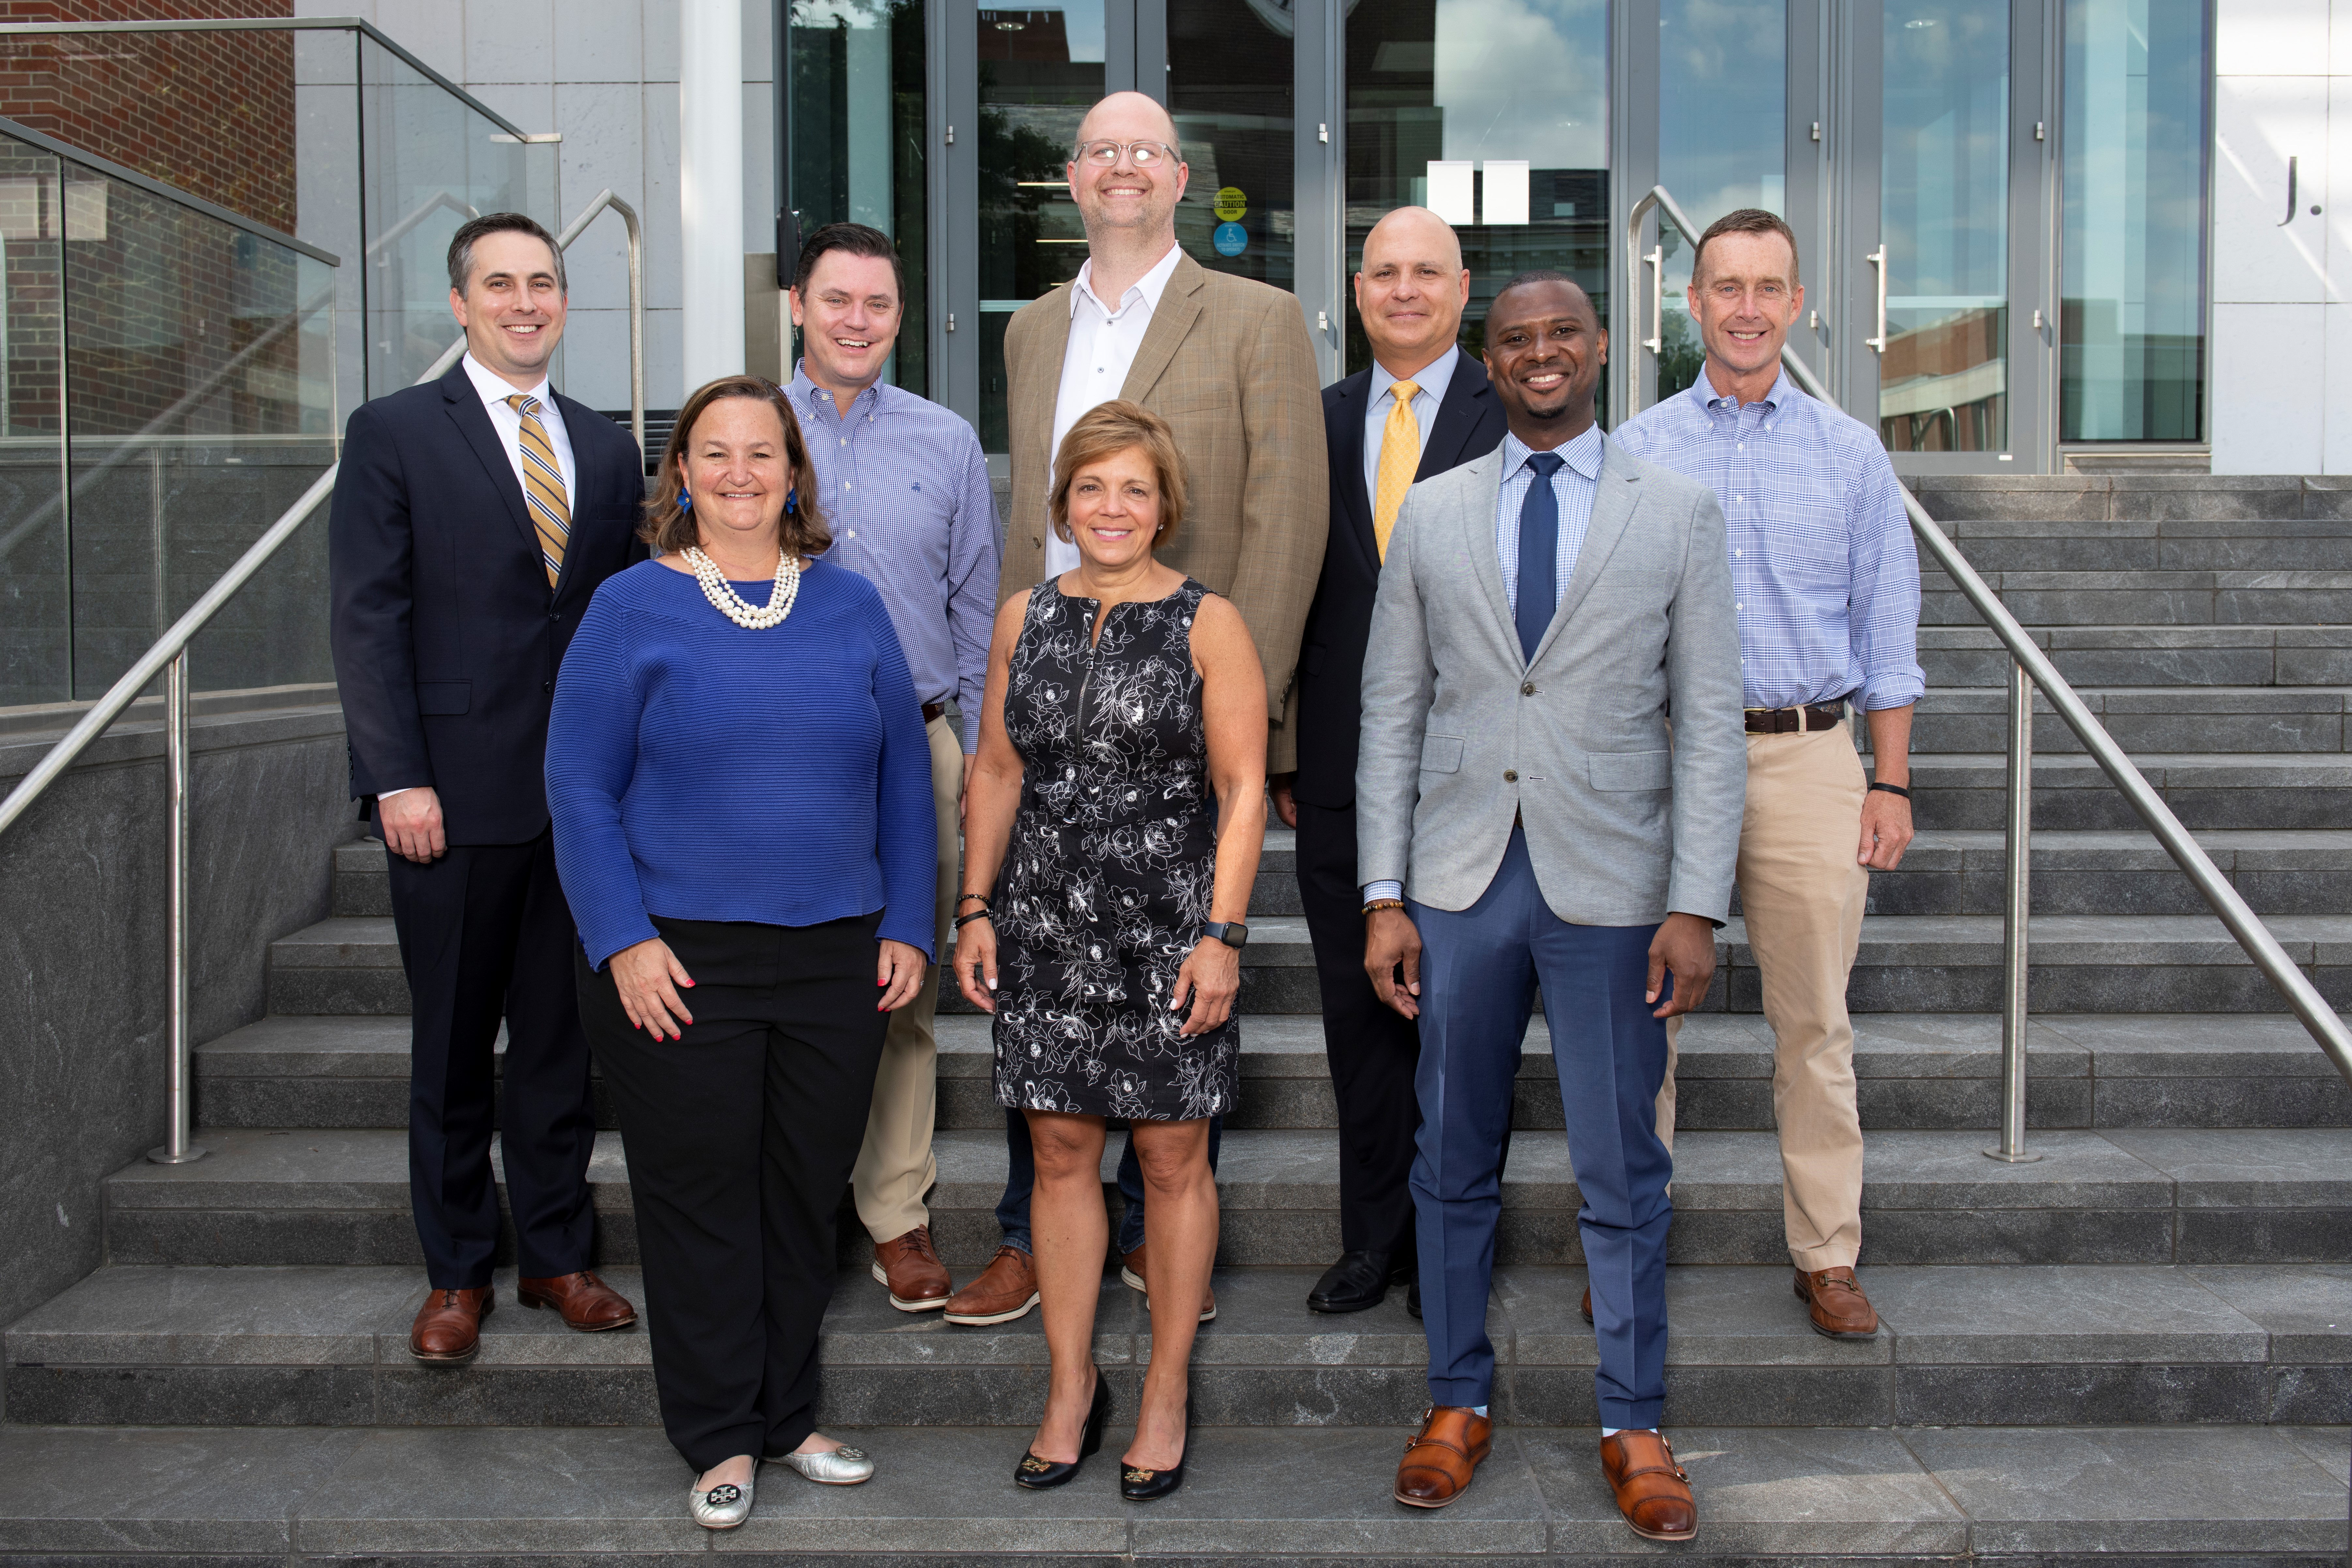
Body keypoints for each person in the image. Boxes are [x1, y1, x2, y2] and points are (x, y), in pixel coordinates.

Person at [1357, 273, 1743, 1538]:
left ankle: (1634, 1418)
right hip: (1460, 878)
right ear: (1489, 353)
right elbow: (1390, 714)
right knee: (1449, 1152)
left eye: (1560, 335)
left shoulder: (1676, 511)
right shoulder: (1430, 511)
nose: (1538, 354)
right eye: (1514, 338)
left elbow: (1710, 724)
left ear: (1597, 349)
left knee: (1620, 1167)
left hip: (1617, 886)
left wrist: (1695, 900)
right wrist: (1380, 891)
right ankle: (1454, 1398)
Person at [944, 89, 1325, 1327]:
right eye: (1100, 151)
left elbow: (1285, 522)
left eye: (1144, 153)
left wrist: (1243, 726)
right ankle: (1034, 1236)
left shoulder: (1259, 318)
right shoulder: (1032, 328)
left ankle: (1154, 1247)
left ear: (1179, 178)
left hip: (1184, 718)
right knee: (1040, 1005)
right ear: (1072, 178)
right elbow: (1027, 523)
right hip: (1057, 696)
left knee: (1164, 1043)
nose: (1122, 169)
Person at [545, 376, 935, 1529]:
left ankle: (786, 1417)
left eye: (761, 453)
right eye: (713, 454)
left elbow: (903, 782)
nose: (739, 474)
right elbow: (577, 784)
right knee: (702, 1195)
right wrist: (620, 939)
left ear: (794, 473)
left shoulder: (853, 606)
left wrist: (909, 919)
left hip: (836, 955)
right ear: (682, 476)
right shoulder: (628, 607)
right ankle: (719, 1435)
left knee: (801, 1193)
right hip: (679, 956)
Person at [330, 211, 644, 1367]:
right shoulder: (395, 432)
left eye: (545, 284)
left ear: (566, 302)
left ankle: (558, 1257)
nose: (526, 302)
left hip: (578, 807)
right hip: (449, 806)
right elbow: (368, 616)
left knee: (562, 1049)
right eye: (500, 284)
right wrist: (396, 775)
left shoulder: (609, 449)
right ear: (459, 304)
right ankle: (457, 1272)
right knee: (456, 1049)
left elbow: (614, 628)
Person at [1614, 208, 1923, 1340]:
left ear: (1797, 306)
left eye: (1768, 288)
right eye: (1725, 286)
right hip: (1664, 759)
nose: (1747, 308)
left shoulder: (1848, 451)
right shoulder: (1637, 446)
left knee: (1816, 1023)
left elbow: (1890, 629)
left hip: (1807, 757)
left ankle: (1827, 1256)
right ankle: (1634, 1239)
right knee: (1644, 1017)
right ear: (1691, 305)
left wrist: (1886, 784)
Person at [955, 400, 1266, 1501]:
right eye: (1092, 488)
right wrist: (975, 905)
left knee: (1175, 1160)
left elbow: (1242, 793)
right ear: (1063, 502)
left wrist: (1223, 935)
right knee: (1056, 1155)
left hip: (1172, 929)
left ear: (1163, 503)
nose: (1113, 507)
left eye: (1134, 488)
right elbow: (997, 772)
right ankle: (1070, 1384)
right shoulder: (1020, 618)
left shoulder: (1208, 622)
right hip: (1044, 926)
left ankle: (1167, 1390)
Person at [1274, 206, 1509, 1317]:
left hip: (1479, 769)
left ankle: (1456, 1244)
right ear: (1355, 293)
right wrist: (1281, 740)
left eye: (1427, 272)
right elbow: (1287, 590)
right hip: (1336, 768)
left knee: (1464, 1013)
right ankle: (1376, 1241)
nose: (1404, 290)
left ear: (1464, 291)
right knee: (1357, 1018)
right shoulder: (1309, 422)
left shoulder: (1512, 413)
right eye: (1383, 273)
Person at [786, 221, 1001, 1314]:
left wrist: (972, 755)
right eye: (837, 301)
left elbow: (975, 613)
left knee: (901, 986)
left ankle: (897, 1215)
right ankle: (793, 1207)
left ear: (900, 317)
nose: (857, 322)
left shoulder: (948, 441)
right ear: (798, 306)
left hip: (916, 744)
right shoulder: (747, 430)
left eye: (877, 303)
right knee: (788, 982)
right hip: (777, 751)